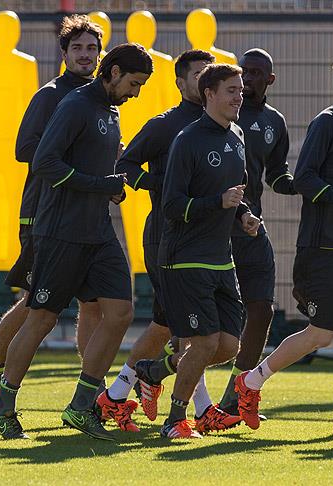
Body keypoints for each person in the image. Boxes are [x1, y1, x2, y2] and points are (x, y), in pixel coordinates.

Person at [0, 43, 152, 441]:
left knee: (121, 313)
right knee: (41, 318)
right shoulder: (75, 104)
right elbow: (44, 162)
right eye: (133, 84)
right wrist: (99, 184)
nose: (135, 93)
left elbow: (97, 169)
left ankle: (81, 406)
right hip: (60, 231)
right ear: (114, 72)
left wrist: (112, 187)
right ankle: (2, 404)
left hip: (99, 232)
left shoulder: (111, 111)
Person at [234, 50, 333, 437]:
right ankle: (251, 381)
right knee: (321, 334)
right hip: (322, 247)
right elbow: (304, 179)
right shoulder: (327, 122)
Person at [0, 15, 104, 412]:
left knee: (94, 305)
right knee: (35, 304)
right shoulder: (49, 95)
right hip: (44, 214)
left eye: (92, 48)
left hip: (85, 215)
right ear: (64, 53)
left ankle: (92, 394)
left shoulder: (101, 97)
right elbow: (24, 148)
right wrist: (73, 155)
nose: (85, 54)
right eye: (77, 48)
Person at [99, 49, 229, 434]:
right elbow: (125, 165)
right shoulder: (166, 124)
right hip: (166, 238)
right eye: (199, 74)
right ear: (181, 83)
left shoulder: (220, 125)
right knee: (187, 331)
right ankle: (191, 408)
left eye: (210, 73)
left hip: (202, 241)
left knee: (170, 327)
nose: (206, 80)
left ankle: (117, 395)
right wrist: (161, 184)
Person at [157, 63, 261, 439]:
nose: (239, 96)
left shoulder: (237, 135)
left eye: (241, 90)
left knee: (228, 346)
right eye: (231, 90)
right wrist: (217, 202)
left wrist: (244, 215)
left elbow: (236, 192)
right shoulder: (188, 140)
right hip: (185, 258)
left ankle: (157, 369)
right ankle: (175, 420)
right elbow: (172, 205)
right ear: (210, 94)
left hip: (221, 259)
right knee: (204, 343)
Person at [217, 48, 295, 417]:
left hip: (251, 227)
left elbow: (276, 175)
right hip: (214, 226)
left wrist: (303, 184)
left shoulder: (274, 122)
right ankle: (148, 376)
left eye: (256, 73)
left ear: (270, 79)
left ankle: (236, 393)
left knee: (262, 309)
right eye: (243, 72)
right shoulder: (220, 113)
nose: (247, 79)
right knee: (199, 321)